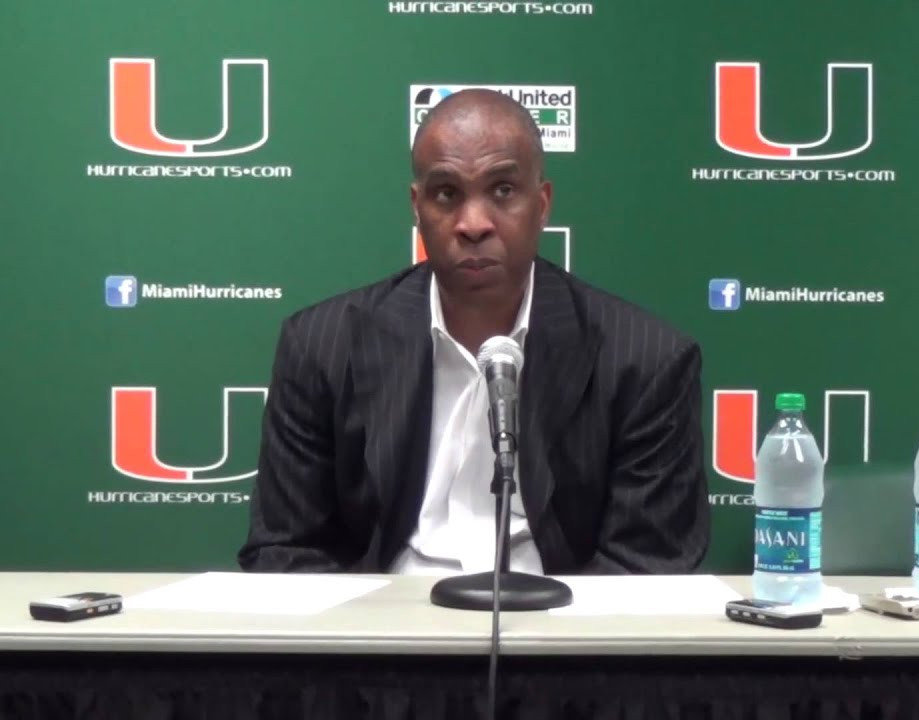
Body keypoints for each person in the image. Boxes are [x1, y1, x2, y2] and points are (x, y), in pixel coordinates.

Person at [238, 88, 710, 575]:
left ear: (542, 204)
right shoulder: (322, 347)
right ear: (417, 208)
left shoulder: (646, 361)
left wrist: (549, 644)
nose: (473, 223)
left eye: (503, 190)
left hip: (560, 632)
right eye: (447, 194)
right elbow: (284, 552)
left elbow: (649, 567)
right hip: (382, 633)